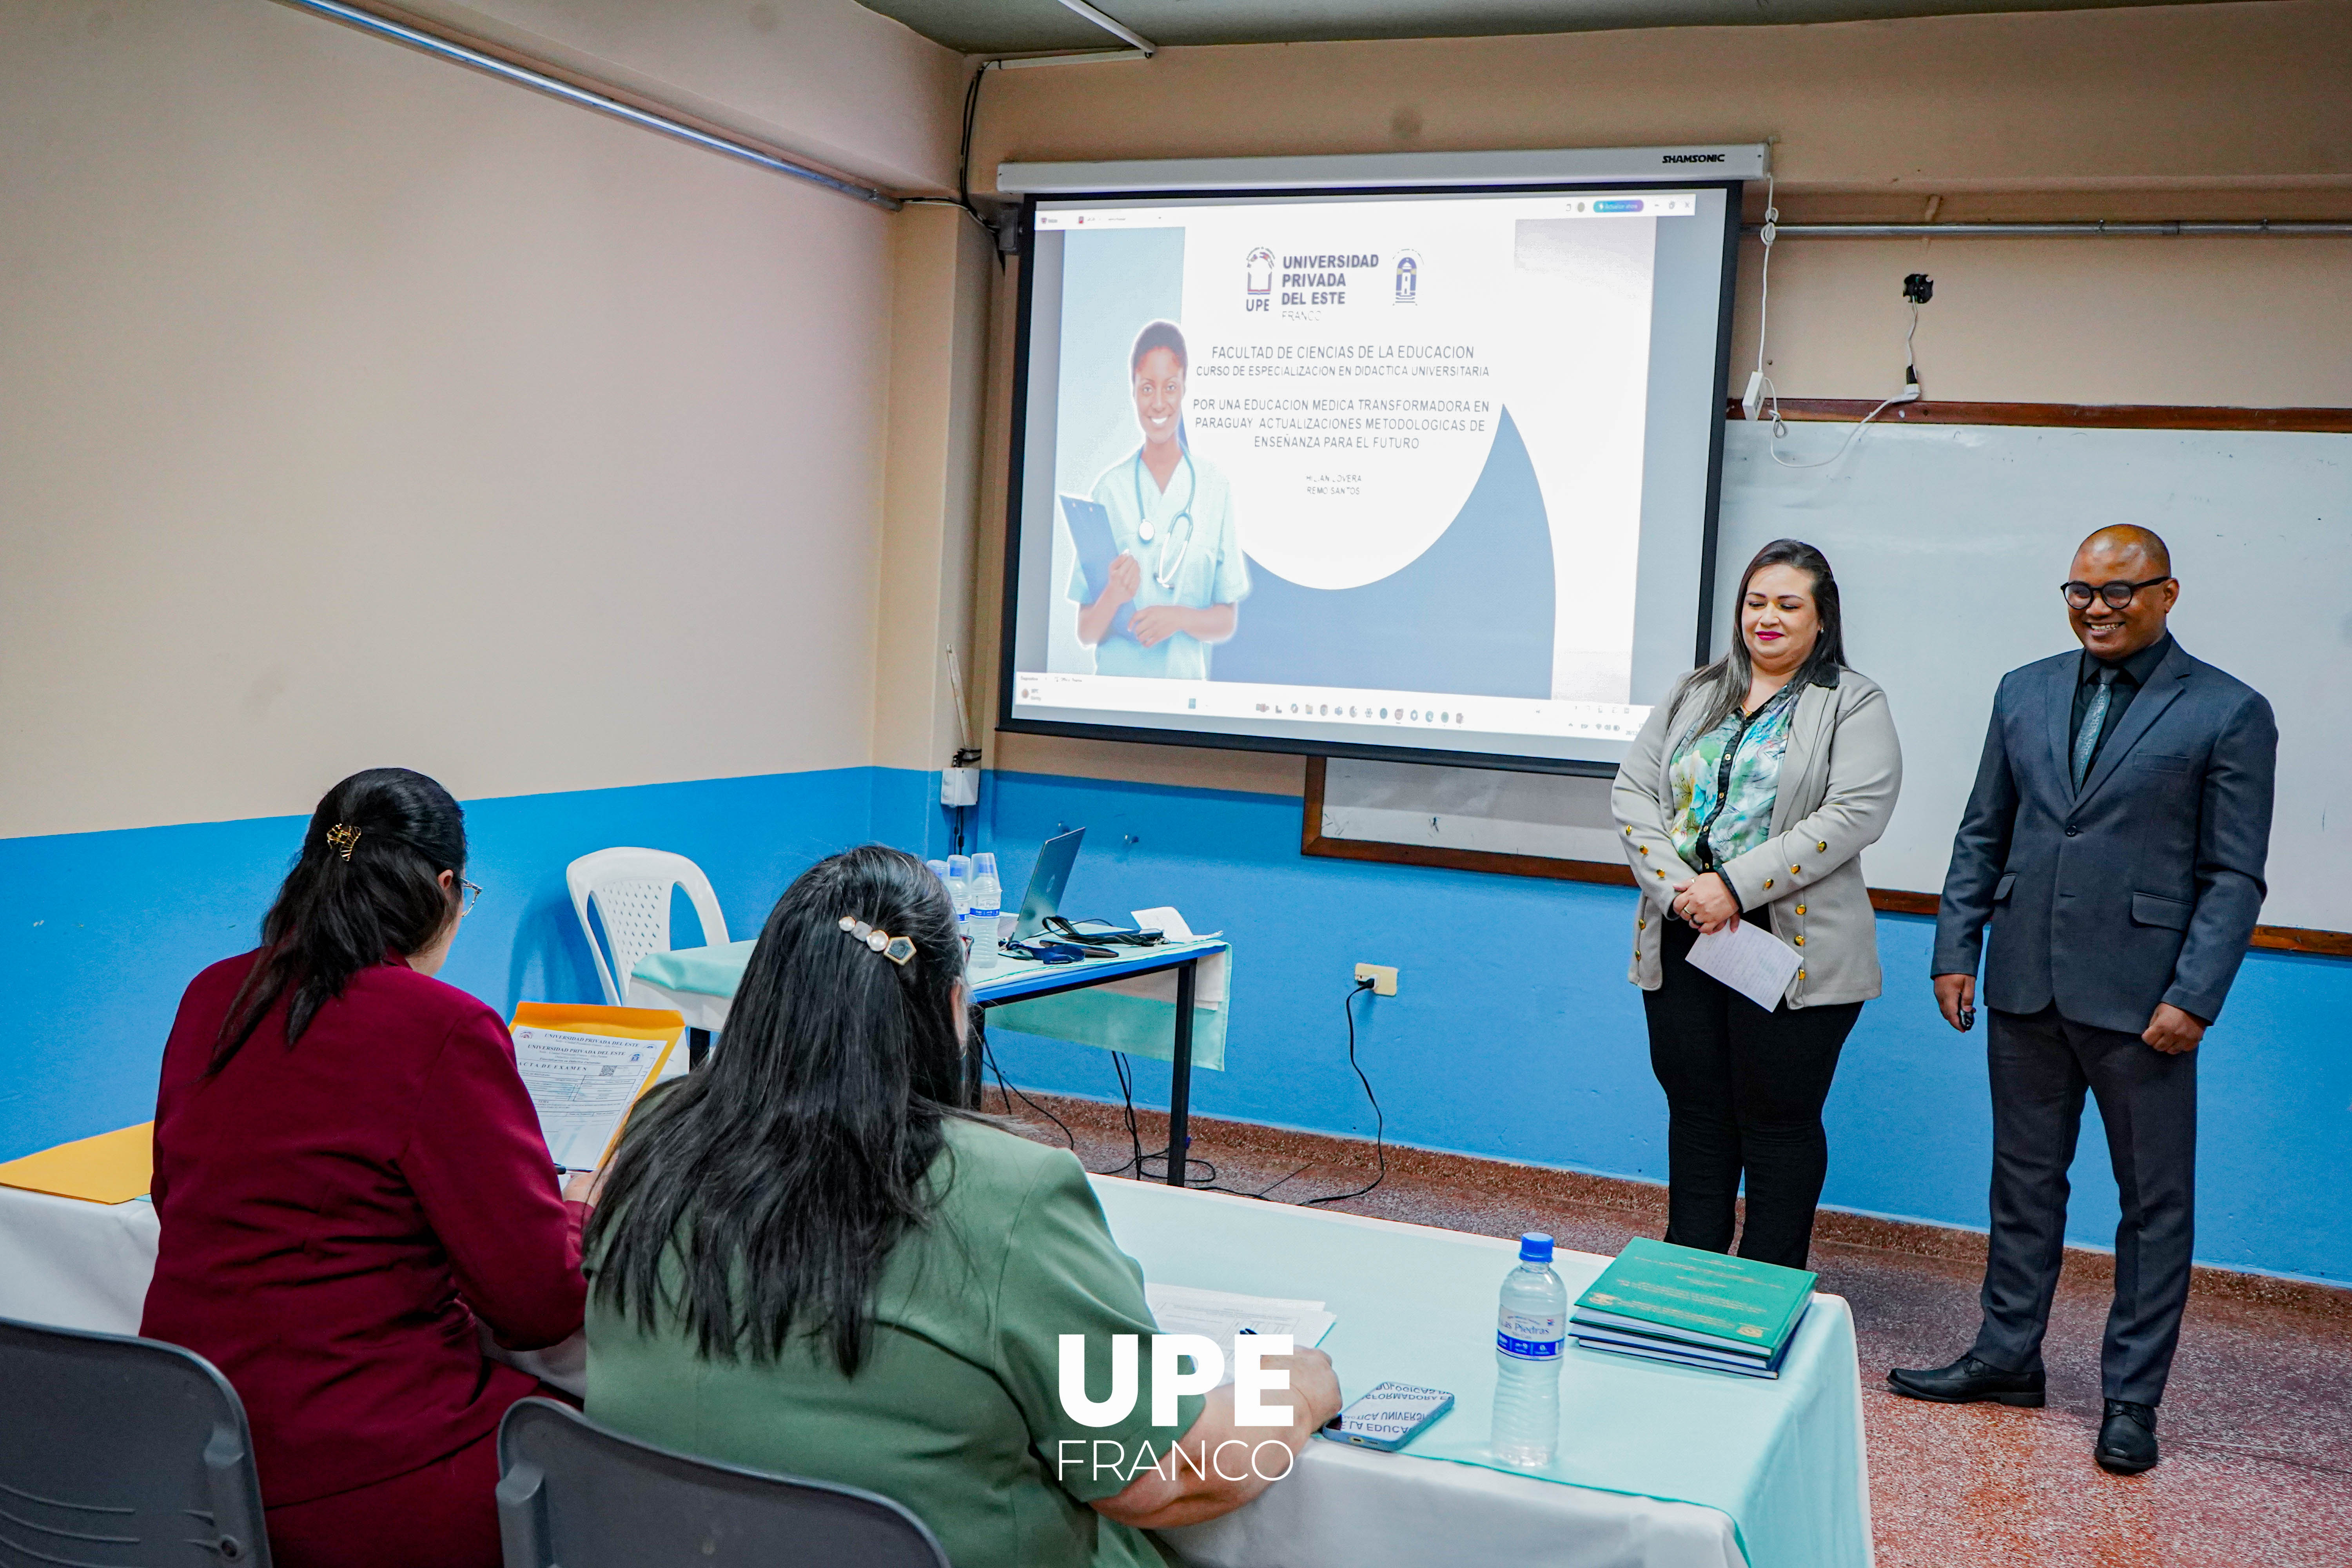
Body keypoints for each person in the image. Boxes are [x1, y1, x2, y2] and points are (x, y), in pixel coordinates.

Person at [583, 845, 1339, 1568]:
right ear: (953, 1007)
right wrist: (1294, 1386)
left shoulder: (656, 1133)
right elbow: (1164, 1474)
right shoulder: (1011, 1192)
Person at [1892, 525, 2276, 1475]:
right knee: (2022, 1184)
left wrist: (2196, 995)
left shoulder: (2229, 710)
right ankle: (2007, 1356)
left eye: (2118, 591)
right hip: (2024, 979)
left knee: (2154, 1205)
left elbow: (2234, 875)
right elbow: (1982, 830)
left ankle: (2132, 1399)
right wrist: (1956, 947)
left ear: (2167, 593)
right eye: (2080, 591)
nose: (2097, 608)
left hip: (2147, 1002)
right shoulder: (2022, 690)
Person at [141, 768, 593, 1568]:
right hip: (358, 1467)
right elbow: (536, 1301)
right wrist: (580, 1212)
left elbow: (172, 1197)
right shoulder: (442, 1026)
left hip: (190, 1450)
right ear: (446, 889)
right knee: (617, 1455)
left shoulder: (213, 994)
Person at [1611, 539, 1903, 1270]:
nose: (1767, 618)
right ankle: (1691, 1269)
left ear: (1822, 618)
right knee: (1697, 1114)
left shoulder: (1853, 701)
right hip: (1685, 931)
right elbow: (1633, 793)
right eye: (1755, 602)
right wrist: (1683, 890)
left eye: (1788, 605)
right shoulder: (1695, 691)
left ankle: (1767, 1286)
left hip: (1791, 947)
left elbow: (1853, 815)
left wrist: (1733, 887)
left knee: (1778, 1123)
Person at [1073, 319, 1250, 678]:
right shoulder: (1109, 491)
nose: (1158, 403)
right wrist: (1114, 595)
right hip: (1113, 700)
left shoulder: (1214, 488)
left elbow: (1226, 621)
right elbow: (1086, 632)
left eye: (1170, 387)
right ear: (1133, 391)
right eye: (1147, 388)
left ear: (1185, 387)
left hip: (1183, 700)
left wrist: (1179, 618)